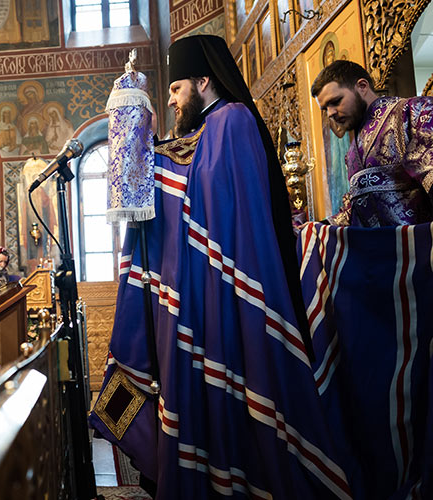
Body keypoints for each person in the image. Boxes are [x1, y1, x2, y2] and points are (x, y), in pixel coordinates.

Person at [89, 35, 354, 499]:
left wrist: (153, 163)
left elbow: (210, 204)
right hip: (196, 295)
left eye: (175, 90)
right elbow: (179, 182)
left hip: (227, 294)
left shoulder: (232, 121)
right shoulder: (201, 133)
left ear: (203, 81)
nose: (171, 101)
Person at [312, 60, 433, 226]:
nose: (331, 113)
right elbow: (353, 212)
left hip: (420, 247)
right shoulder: (353, 150)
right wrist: (315, 228)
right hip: (379, 250)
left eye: (336, 101)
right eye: (325, 108)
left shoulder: (413, 112)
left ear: (362, 86)